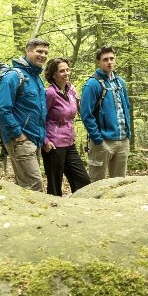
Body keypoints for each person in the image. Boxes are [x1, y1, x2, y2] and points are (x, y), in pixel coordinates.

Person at [0, 37, 49, 191]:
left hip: (34, 139)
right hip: (20, 140)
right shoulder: (13, 76)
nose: (43, 55)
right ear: (28, 50)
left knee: (24, 187)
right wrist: (18, 134)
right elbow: (1, 108)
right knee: (34, 186)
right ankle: (35, 215)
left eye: (45, 52)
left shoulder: (36, 79)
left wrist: (42, 137)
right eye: (39, 51)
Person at [79, 46, 134, 181]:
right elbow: (86, 114)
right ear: (98, 62)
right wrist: (98, 139)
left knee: (119, 182)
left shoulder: (120, 82)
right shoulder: (92, 84)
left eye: (112, 58)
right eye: (105, 59)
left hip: (122, 140)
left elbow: (126, 107)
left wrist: (128, 135)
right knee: (97, 183)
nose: (109, 62)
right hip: (102, 142)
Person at [42, 57, 91, 196]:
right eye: (62, 71)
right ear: (53, 75)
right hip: (53, 145)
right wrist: (45, 141)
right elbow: (40, 118)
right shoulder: (49, 93)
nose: (66, 73)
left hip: (69, 143)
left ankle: (79, 208)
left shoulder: (71, 91)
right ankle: (54, 214)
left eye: (67, 70)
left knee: (83, 181)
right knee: (55, 186)